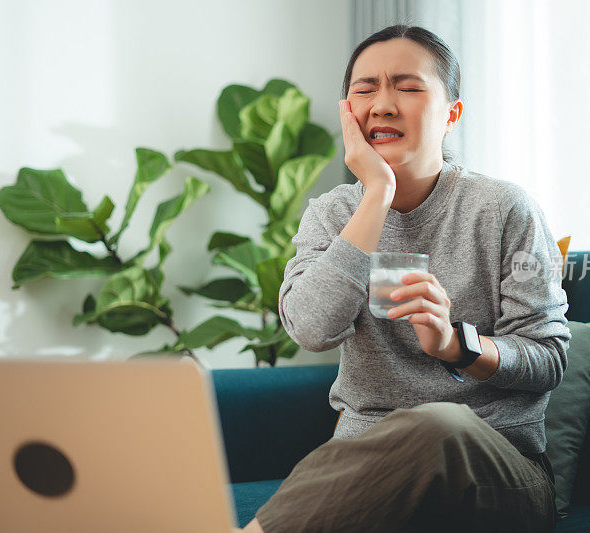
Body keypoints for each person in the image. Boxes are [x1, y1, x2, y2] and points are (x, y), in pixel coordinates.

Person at [237, 24, 571, 533]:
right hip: (369, 475)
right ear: (347, 112)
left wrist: (456, 346)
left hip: (498, 474)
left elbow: (548, 358)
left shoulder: (505, 209)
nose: (384, 104)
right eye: (365, 89)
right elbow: (311, 328)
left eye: (408, 87)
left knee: (438, 424)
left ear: (452, 113)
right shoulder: (332, 215)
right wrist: (376, 195)